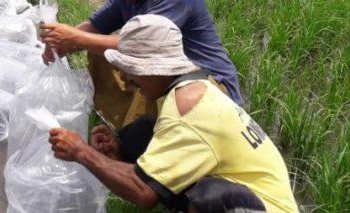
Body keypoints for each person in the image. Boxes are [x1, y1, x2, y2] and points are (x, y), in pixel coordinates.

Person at [48, 15, 298, 212]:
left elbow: (143, 193)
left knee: (210, 197)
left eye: (132, 71)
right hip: (243, 190)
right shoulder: (187, 86)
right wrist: (117, 153)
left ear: (154, 69)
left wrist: (82, 152)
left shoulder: (187, 109)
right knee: (143, 131)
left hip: (261, 207)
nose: (129, 79)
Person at [41, 0, 242, 128]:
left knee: (141, 62)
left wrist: (74, 37)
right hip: (167, 77)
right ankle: (124, 125)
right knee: (98, 49)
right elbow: (93, 28)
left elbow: (143, 48)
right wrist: (61, 41)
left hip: (207, 83)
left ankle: (137, 138)